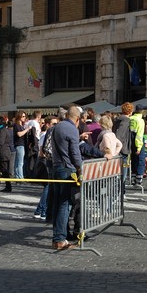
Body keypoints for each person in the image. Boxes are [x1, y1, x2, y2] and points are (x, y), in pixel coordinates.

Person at [50, 105, 83, 250]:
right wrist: (80, 168)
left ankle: (59, 235)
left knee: (57, 203)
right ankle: (60, 239)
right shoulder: (72, 129)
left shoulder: (57, 126)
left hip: (56, 167)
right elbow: (75, 153)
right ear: (77, 119)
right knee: (65, 204)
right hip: (66, 169)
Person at [129, 104, 145, 186]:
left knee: (133, 160)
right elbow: (139, 135)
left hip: (130, 142)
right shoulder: (140, 121)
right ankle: (138, 180)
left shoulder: (130, 118)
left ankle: (133, 178)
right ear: (142, 111)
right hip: (137, 142)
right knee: (141, 160)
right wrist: (139, 147)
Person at [13, 111, 32, 179]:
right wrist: (27, 129)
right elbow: (19, 134)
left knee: (18, 162)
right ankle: (20, 177)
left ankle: (17, 176)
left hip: (21, 145)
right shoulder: (17, 125)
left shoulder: (21, 125)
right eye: (23, 116)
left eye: (25, 116)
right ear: (19, 116)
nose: (24, 118)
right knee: (20, 162)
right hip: (19, 145)